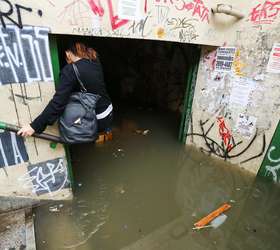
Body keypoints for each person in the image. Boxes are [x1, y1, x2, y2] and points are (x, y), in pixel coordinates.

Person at [17, 42, 113, 139]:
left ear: (67, 53)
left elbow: (58, 103)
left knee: (65, 113)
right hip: (108, 112)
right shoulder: (94, 61)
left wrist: (34, 126)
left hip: (96, 119)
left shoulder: (70, 70)